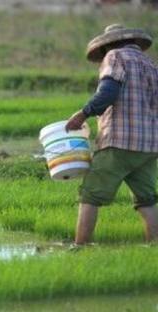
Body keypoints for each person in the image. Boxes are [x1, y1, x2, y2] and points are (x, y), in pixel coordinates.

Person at [65, 24, 158, 245]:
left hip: (119, 141)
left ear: (108, 45)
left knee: (90, 195)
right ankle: (155, 247)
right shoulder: (152, 64)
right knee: (147, 200)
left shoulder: (115, 56)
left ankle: (80, 247)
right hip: (149, 145)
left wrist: (83, 113)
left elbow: (108, 92)